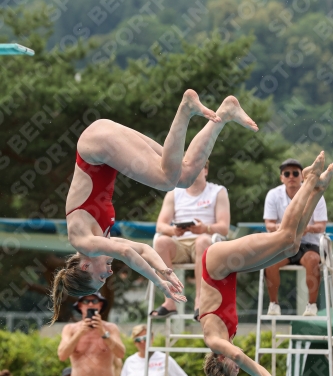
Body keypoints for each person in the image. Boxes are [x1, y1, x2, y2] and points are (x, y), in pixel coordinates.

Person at [50, 90, 258, 323]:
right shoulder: (100, 241)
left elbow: (127, 253)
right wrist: (165, 271)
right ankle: (225, 112)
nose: (109, 273)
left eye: (101, 276)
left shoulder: (82, 241)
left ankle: (186, 108)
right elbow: (144, 250)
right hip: (101, 138)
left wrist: (159, 283)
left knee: (167, 180)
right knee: (185, 174)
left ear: (85, 265)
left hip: (96, 147)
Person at [200, 152, 333, 376]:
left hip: (217, 264)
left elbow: (240, 357)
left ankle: (309, 179)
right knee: (292, 245)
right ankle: (317, 190)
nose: (237, 367)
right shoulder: (224, 338)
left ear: (221, 360)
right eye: (237, 372)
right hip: (228, 271)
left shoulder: (215, 341)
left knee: (284, 235)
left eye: (232, 371)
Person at [151, 158, 230, 321]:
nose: (192, 172)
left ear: (205, 171)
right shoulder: (174, 192)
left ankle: (200, 302)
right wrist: (173, 230)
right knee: (160, 242)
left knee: (202, 241)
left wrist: (205, 228)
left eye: (197, 167)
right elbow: (160, 225)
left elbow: (224, 227)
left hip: (206, 242)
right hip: (180, 243)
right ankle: (170, 301)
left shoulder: (218, 191)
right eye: (188, 168)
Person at [264, 158, 328, 316]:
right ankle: (273, 304)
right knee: (267, 261)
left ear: (302, 176)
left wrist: (307, 229)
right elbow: (269, 225)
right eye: (287, 173)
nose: (291, 176)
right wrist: (284, 228)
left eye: (295, 173)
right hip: (284, 243)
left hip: (308, 244)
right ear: (281, 178)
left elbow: (321, 226)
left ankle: (312, 305)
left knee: (313, 260)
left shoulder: (316, 193)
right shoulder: (273, 195)